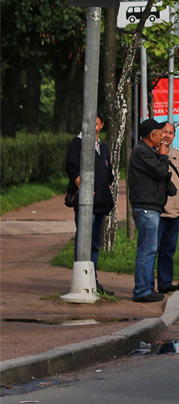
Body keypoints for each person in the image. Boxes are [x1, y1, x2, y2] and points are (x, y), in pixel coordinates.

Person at [64, 113, 116, 296]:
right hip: (86, 203)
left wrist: (107, 184)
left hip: (101, 203)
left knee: (94, 242)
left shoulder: (102, 146)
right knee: (83, 241)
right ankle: (80, 281)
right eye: (89, 123)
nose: (92, 126)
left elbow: (108, 170)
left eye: (96, 123)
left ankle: (92, 280)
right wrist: (84, 189)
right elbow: (71, 167)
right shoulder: (78, 143)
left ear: (101, 125)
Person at [128, 118, 175, 303]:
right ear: (152, 135)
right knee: (147, 250)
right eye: (160, 133)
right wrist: (163, 155)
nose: (162, 137)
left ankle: (147, 287)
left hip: (151, 206)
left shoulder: (147, 151)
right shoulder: (142, 152)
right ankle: (141, 290)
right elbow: (161, 172)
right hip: (146, 207)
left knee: (150, 249)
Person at [156, 121, 179, 294]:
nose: (168, 135)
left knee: (169, 250)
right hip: (159, 211)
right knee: (153, 249)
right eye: (164, 132)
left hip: (175, 211)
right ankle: (147, 286)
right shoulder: (153, 154)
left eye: (171, 133)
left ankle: (165, 282)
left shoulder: (177, 156)